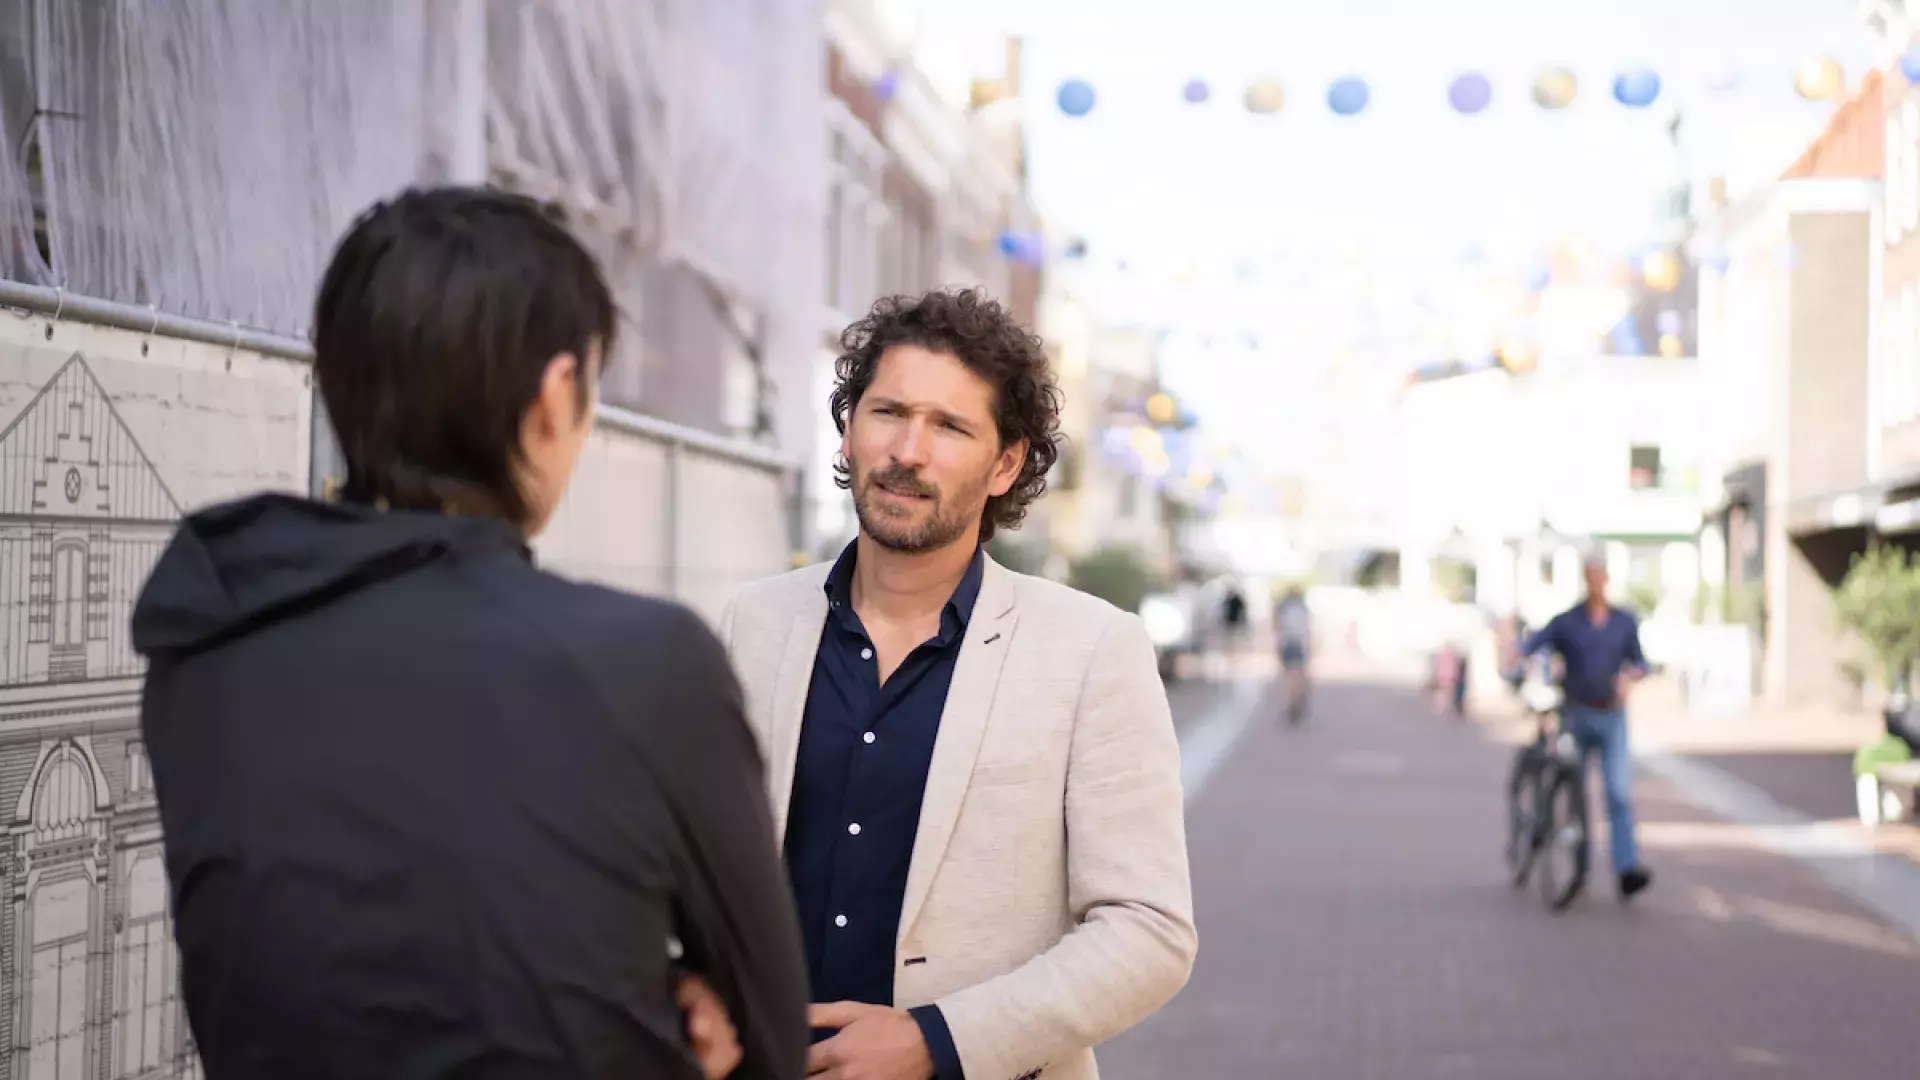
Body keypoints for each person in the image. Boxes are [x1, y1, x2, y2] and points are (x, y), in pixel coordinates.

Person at [130, 188, 808, 1079]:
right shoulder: (648, 667)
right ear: (554, 397)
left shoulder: (209, 639)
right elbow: (771, 1038)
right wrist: (659, 1020)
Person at [718, 290, 1196, 1080]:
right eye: (888, 412)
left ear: (1005, 463)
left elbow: (1149, 931)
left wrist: (935, 1042)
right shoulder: (753, 622)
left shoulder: (1092, 651)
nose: (908, 450)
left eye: (950, 427)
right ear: (849, 428)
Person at [1517, 553, 1655, 900]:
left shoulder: (1623, 622)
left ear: (1606, 578)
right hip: (1576, 715)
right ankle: (1578, 863)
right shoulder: (1568, 622)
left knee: (1618, 793)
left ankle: (1626, 868)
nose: (1596, 581)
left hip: (1612, 717)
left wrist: (1631, 675)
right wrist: (1515, 656)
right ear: (1585, 578)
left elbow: (1640, 661)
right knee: (1575, 790)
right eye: (1590, 574)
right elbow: (1531, 644)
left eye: (1600, 574)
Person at [1275, 586, 1312, 722]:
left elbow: (1280, 630)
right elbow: (1306, 631)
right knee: (1297, 674)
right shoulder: (1302, 610)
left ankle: (1291, 701)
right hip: (1298, 644)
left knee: (1289, 675)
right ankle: (1296, 699)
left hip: (1289, 644)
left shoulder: (1284, 610)